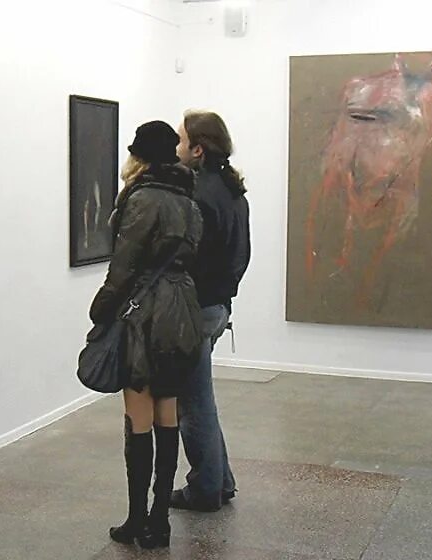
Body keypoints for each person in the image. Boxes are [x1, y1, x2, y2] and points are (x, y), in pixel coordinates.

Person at [89, 121, 204, 549]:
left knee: (138, 412)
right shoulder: (189, 201)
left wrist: (101, 309)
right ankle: (160, 521)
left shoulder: (141, 198)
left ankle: (137, 519)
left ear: (139, 157)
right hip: (182, 310)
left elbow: (124, 266)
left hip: (144, 313)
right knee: (167, 410)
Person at [171, 110, 251, 512]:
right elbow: (241, 256)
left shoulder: (198, 196)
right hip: (217, 307)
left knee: (193, 405)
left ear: (198, 149)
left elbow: (189, 258)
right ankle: (220, 482)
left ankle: (204, 489)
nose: (176, 147)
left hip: (197, 308)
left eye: (181, 140)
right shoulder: (233, 191)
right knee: (199, 397)